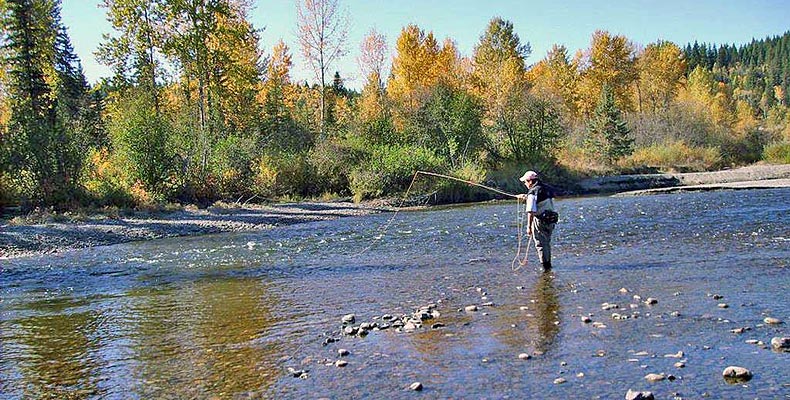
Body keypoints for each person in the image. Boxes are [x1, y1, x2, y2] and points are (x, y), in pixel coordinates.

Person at [516, 170, 557, 272]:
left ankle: (545, 268)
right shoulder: (546, 188)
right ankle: (548, 265)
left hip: (540, 221)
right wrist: (526, 197)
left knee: (540, 244)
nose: (525, 184)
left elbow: (531, 211)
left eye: (525, 182)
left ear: (530, 181)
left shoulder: (532, 192)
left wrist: (529, 227)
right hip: (551, 220)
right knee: (546, 243)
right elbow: (540, 200)